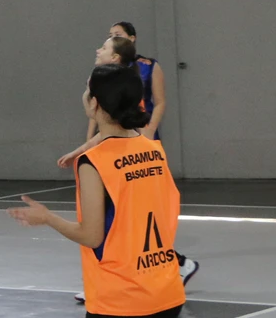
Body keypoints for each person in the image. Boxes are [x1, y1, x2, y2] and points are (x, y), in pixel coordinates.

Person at [10, 64, 201, 318]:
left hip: (119, 293)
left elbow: (92, 235)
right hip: (162, 286)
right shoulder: (153, 150)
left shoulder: (94, 162)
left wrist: (47, 218)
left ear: (95, 103)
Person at [59, 35, 198, 301]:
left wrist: (46, 217)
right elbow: (106, 132)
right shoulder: (113, 87)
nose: (98, 49)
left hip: (128, 160)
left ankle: (175, 264)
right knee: (127, 222)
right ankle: (138, 274)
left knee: (124, 221)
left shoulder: (122, 88)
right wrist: (79, 151)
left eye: (104, 46)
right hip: (126, 158)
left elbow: (117, 129)